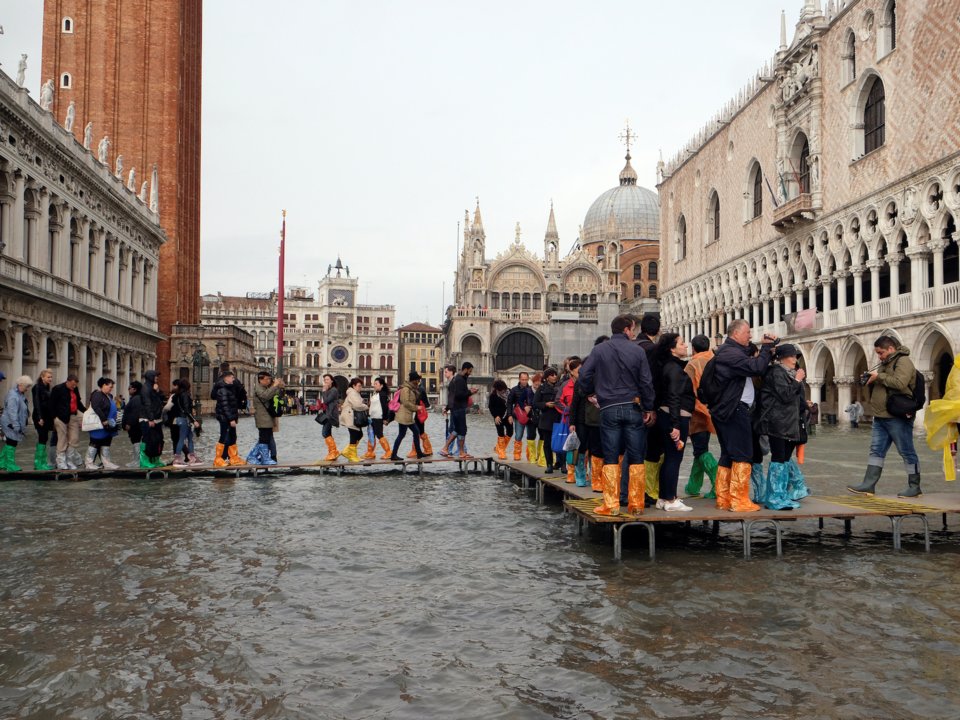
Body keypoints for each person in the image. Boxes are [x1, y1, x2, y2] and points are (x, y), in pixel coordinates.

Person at [578, 314, 656, 515]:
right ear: (626, 329)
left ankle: (611, 505)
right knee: (637, 455)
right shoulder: (637, 351)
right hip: (633, 407)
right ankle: (636, 503)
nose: (634, 333)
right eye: (633, 329)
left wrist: (589, 393)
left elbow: (584, 375)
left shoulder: (599, 350)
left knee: (611, 455)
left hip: (608, 408)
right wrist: (649, 408)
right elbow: (646, 382)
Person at [708, 319, 777, 512]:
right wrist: (765, 349)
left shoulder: (727, 351)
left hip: (727, 409)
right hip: (734, 409)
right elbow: (756, 368)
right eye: (747, 332)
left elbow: (750, 359)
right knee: (743, 454)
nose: (750, 336)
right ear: (736, 333)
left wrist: (767, 350)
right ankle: (739, 500)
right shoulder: (730, 353)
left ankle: (723, 498)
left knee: (728, 454)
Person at [848, 336, 922, 497]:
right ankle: (868, 485)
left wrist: (878, 377)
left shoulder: (903, 362)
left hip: (897, 416)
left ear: (890, 349)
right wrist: (870, 379)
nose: (879, 356)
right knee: (876, 451)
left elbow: (900, 383)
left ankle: (914, 486)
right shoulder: (885, 364)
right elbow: (884, 383)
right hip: (880, 416)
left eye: (880, 353)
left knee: (906, 451)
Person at [755, 344, 809, 510]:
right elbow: (785, 395)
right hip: (777, 423)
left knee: (784, 459)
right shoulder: (776, 372)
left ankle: (781, 495)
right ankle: (774, 498)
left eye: (796, 357)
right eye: (791, 356)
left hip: (787, 423)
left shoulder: (788, 373)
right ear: (782, 358)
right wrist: (798, 380)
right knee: (778, 458)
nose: (795, 360)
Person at [653, 334, 694, 511]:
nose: (686, 346)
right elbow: (674, 397)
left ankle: (664, 497)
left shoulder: (668, 366)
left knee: (670, 457)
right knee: (674, 458)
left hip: (666, 416)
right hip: (675, 417)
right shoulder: (674, 368)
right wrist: (675, 425)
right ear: (672, 348)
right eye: (682, 343)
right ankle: (670, 499)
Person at [570, 337, 607, 491]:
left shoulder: (605, 379)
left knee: (597, 449)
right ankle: (579, 474)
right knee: (582, 447)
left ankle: (596, 477)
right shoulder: (581, 382)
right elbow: (574, 403)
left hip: (598, 419)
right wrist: (572, 422)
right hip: (581, 420)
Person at [684, 335, 718, 498]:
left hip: (698, 413)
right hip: (717, 410)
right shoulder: (716, 360)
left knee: (700, 449)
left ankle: (718, 483)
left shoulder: (692, 365)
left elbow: (687, 391)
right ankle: (693, 486)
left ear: (693, 348)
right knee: (700, 448)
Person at [636, 313, 662, 506]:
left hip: (626, 404)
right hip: (646, 406)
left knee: (632, 449)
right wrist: (651, 407)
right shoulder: (652, 350)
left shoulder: (631, 347)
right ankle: (648, 492)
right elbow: (651, 381)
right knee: (651, 448)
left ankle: (630, 492)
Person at [248, 371, 284, 466]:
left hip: (268, 416)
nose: (269, 381)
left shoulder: (267, 387)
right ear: (260, 380)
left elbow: (275, 394)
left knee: (265, 437)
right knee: (264, 437)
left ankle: (253, 455)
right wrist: (274, 386)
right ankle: (263, 458)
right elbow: (265, 396)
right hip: (262, 416)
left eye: (269, 379)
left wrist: (279, 386)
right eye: (267, 379)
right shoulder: (258, 388)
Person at [50, 373, 86, 469]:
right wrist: (54, 418)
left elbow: (78, 402)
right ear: (68, 381)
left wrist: (86, 411)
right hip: (60, 417)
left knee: (74, 438)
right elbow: (52, 404)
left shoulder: (75, 389)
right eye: (73, 384)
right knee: (62, 439)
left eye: (75, 385)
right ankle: (61, 461)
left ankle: (70, 460)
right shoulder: (57, 389)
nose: (74, 386)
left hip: (73, 416)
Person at [211, 369, 245, 467]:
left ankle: (233, 457)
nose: (233, 379)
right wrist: (231, 419)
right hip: (224, 418)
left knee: (233, 436)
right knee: (224, 437)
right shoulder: (222, 390)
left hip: (230, 417)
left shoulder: (230, 388)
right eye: (232, 377)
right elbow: (225, 406)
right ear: (226, 378)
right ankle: (218, 459)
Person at [534, 368, 565, 475]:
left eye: (555, 374)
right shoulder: (542, 388)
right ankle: (549, 465)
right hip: (546, 419)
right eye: (552, 375)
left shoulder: (561, 387)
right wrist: (545, 404)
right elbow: (535, 403)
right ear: (547, 377)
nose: (554, 376)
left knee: (561, 442)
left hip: (559, 418)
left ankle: (562, 464)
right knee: (547, 443)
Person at [0, 376, 33, 472]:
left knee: (10, 442)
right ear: (20, 385)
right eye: (26, 387)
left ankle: (2, 462)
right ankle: (10, 464)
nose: (27, 389)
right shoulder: (13, 396)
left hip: (13, 422)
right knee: (12, 442)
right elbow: (12, 412)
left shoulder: (19, 394)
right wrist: (16, 425)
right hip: (10, 423)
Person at [86, 377, 120, 469]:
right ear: (104, 385)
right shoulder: (97, 395)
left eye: (112, 387)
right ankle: (89, 463)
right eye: (110, 387)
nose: (111, 388)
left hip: (109, 425)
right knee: (95, 442)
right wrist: (104, 420)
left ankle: (106, 462)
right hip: (100, 424)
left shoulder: (109, 396)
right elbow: (96, 407)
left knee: (106, 442)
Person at [391, 371, 425, 460]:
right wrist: (416, 408)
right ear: (413, 380)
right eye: (417, 380)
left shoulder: (411, 388)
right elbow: (405, 402)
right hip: (404, 416)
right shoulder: (406, 389)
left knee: (414, 432)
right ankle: (394, 455)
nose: (418, 381)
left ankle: (419, 453)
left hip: (407, 416)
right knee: (403, 434)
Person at [447, 362, 477, 459]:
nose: (470, 373)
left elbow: (454, 395)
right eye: (470, 371)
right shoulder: (460, 379)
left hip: (457, 407)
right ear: (466, 369)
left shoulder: (460, 379)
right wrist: (470, 392)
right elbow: (458, 395)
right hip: (458, 408)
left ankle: (457, 450)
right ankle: (459, 451)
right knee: (462, 430)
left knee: (458, 430)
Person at [139, 370, 167, 468]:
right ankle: (144, 460)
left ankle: (155, 458)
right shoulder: (145, 388)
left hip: (157, 418)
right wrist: (150, 419)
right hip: (147, 419)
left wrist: (157, 391)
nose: (157, 378)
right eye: (155, 376)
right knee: (148, 440)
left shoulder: (153, 388)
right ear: (150, 377)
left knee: (158, 440)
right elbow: (147, 404)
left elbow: (162, 398)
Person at [172, 379, 202, 466]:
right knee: (182, 438)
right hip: (184, 419)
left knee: (190, 438)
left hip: (181, 419)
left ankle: (192, 457)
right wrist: (194, 420)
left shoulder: (177, 395)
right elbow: (186, 410)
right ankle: (177, 458)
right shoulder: (185, 395)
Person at [505, 372, 534, 462]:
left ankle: (530, 454)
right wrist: (509, 415)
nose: (524, 381)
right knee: (518, 435)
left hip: (530, 416)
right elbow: (509, 403)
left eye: (526, 379)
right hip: (519, 416)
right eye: (522, 379)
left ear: (528, 379)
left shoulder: (532, 389)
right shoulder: (513, 390)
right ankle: (517, 454)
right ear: (519, 379)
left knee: (531, 436)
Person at [339, 378, 369, 462]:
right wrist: (366, 406)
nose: (360, 388)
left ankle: (347, 452)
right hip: (350, 417)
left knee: (359, 434)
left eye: (361, 386)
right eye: (359, 386)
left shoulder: (355, 393)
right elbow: (357, 405)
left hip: (352, 417)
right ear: (354, 386)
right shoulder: (353, 393)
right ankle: (352, 455)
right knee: (354, 435)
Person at [30, 368, 55, 470]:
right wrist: (40, 417)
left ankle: (42, 462)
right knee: (42, 437)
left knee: (45, 438)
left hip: (47, 416)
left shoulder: (47, 387)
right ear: (42, 377)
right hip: (39, 416)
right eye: (48, 377)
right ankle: (38, 463)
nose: (50, 379)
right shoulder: (37, 387)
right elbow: (36, 403)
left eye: (51, 377)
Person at [366, 376, 394, 459]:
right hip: (372, 418)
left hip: (378, 417)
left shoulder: (382, 395)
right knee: (371, 435)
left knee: (379, 435)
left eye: (376, 384)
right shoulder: (377, 394)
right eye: (374, 384)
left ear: (381, 385)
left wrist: (385, 419)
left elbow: (385, 407)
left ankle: (388, 452)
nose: (374, 385)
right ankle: (370, 452)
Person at [407, 376, 433, 457]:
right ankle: (426, 449)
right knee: (419, 431)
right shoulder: (420, 388)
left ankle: (418, 450)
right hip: (420, 412)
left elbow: (417, 401)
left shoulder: (419, 389)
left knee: (418, 431)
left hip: (419, 412)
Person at [317, 373, 341, 462]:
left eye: (327, 379)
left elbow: (326, 401)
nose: (325, 381)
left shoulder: (333, 390)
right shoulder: (330, 390)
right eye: (324, 380)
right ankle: (332, 452)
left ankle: (333, 451)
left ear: (331, 381)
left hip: (331, 415)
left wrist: (324, 391)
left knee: (325, 433)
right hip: (328, 414)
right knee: (328, 433)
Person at [122, 381, 144, 467]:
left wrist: (129, 423)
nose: (128, 390)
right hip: (136, 425)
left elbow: (135, 413)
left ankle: (137, 461)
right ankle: (136, 460)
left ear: (134, 389)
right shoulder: (136, 398)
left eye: (129, 388)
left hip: (135, 426)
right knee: (136, 442)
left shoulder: (136, 399)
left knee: (136, 442)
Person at [489, 379, 510, 460]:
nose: (501, 391)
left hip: (508, 416)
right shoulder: (493, 395)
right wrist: (495, 416)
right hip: (498, 417)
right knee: (501, 433)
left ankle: (498, 447)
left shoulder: (510, 393)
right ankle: (501, 452)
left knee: (510, 432)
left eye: (503, 389)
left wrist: (511, 415)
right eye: (499, 390)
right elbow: (491, 407)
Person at [529, 372, 545, 466]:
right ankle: (532, 456)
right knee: (531, 435)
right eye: (536, 383)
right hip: (531, 417)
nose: (537, 385)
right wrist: (526, 407)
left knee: (542, 435)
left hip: (541, 416)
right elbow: (521, 401)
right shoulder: (528, 391)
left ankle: (540, 455)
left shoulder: (543, 391)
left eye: (539, 383)